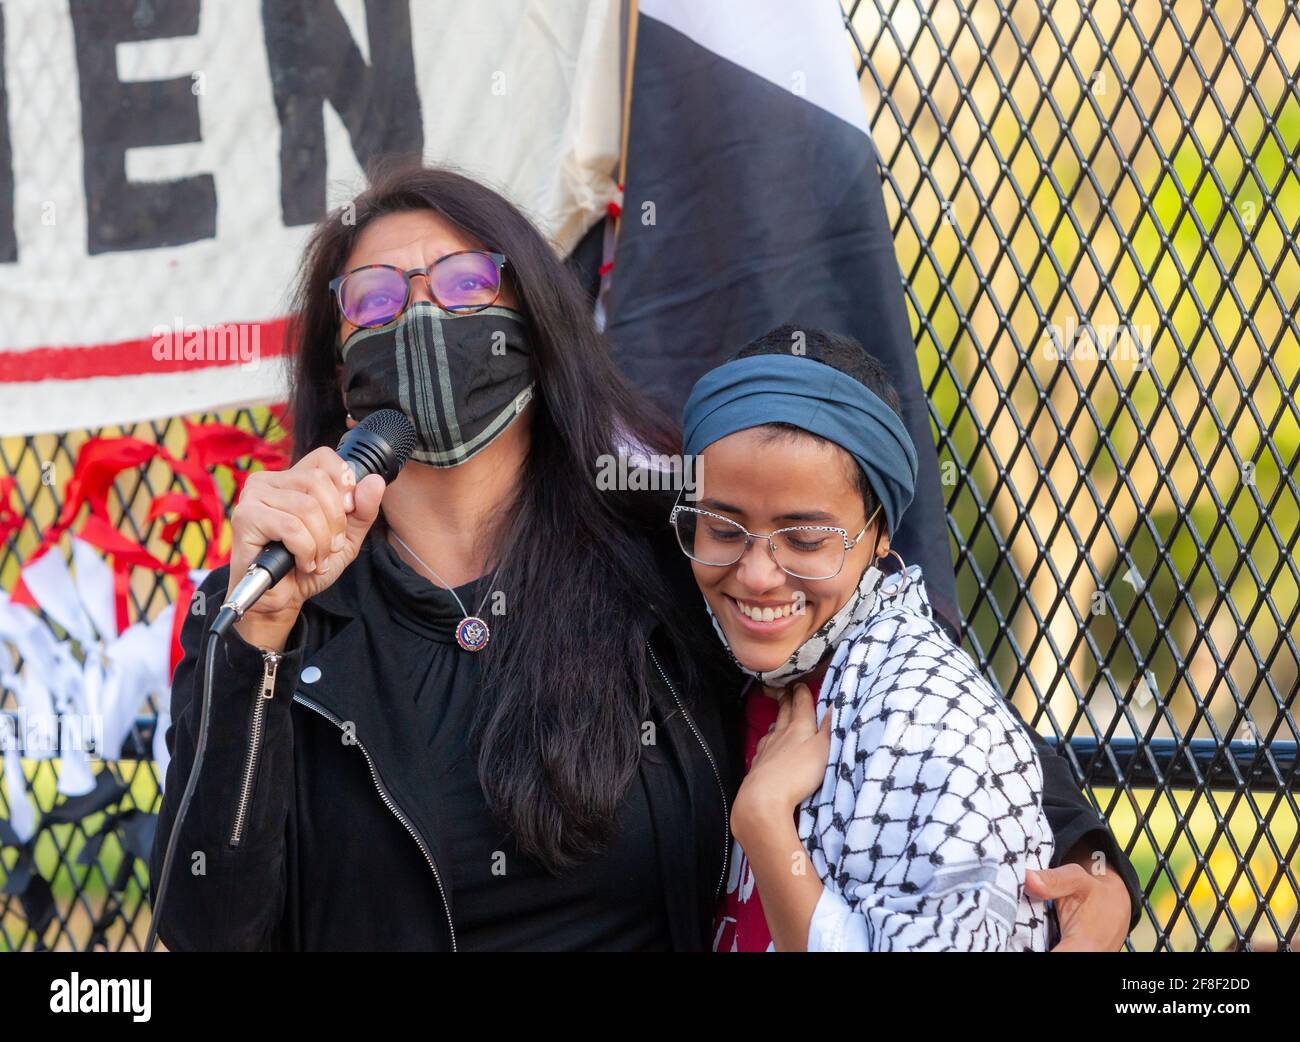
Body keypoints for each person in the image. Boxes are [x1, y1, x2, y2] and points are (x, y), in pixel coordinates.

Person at [148, 161, 735, 951]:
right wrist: (258, 645)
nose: (421, 314)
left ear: (533, 319)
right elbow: (207, 929)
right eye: (377, 300)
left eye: (464, 284)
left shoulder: (667, 557)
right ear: (338, 364)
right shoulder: (265, 605)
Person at [676, 326, 1142, 951]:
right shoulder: (682, 646)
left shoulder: (925, 721)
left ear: (880, 537)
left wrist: (764, 823)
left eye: (807, 540)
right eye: (722, 529)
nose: (758, 575)